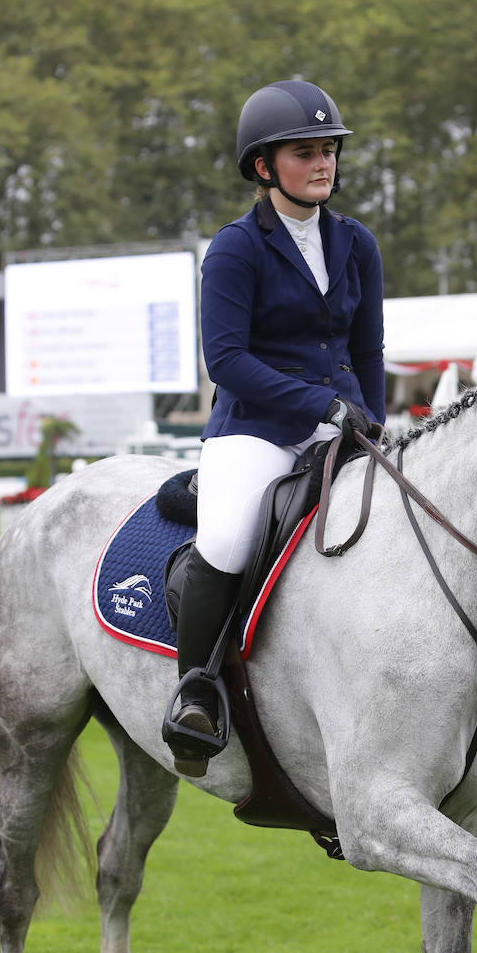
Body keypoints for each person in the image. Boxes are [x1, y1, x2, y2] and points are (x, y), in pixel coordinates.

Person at [162, 79, 386, 776]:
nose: (323, 163)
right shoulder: (235, 248)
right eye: (305, 152)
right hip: (254, 428)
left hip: (342, 423)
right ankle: (196, 689)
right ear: (264, 167)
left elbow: (370, 349)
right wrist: (321, 409)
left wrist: (372, 421)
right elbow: (225, 360)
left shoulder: (356, 243)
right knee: (227, 540)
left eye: (329, 150)